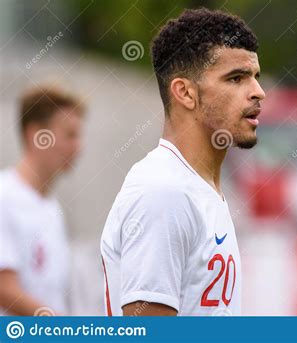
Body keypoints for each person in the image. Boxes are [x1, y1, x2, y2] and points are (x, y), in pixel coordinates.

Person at [100, 8, 265, 316]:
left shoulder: (200, 188)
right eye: (236, 78)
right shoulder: (164, 191)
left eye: (255, 77)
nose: (259, 92)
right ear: (185, 93)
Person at [0, 85, 84, 315]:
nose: (78, 147)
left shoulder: (51, 207)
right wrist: (60, 328)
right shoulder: (4, 196)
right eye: (70, 135)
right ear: (36, 135)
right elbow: (4, 288)